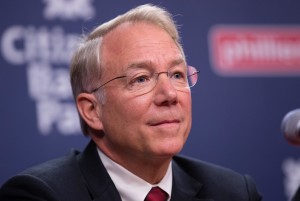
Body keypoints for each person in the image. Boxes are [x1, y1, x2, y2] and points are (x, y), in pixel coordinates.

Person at [0, 4, 262, 201]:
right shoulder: (39, 195)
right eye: (141, 79)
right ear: (92, 111)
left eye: (177, 75)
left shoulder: (234, 192)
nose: (169, 95)